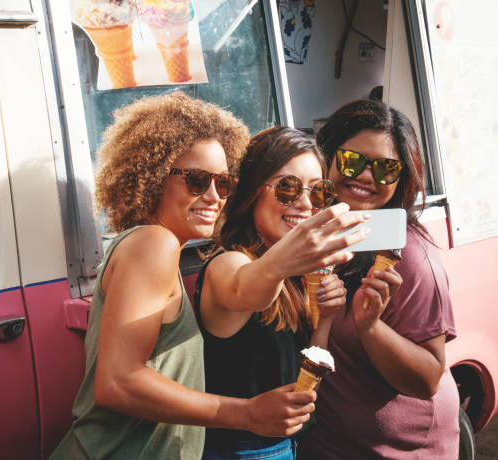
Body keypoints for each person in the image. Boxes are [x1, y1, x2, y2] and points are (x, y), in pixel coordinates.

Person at [50, 92, 324, 460]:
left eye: (223, 183)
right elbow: (117, 384)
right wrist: (246, 413)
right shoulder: (154, 242)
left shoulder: (156, 246)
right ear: (152, 176)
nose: (214, 196)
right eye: (197, 180)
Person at [194, 126, 378, 459]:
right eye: (288, 187)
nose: (306, 204)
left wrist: (325, 319)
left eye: (318, 190)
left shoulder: (295, 272)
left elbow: (306, 380)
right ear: (251, 191)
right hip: (238, 450)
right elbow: (243, 289)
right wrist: (289, 263)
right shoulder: (230, 262)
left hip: (287, 447)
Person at [298, 99, 460, 459]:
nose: (367, 177)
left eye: (386, 168)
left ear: (401, 178)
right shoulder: (320, 230)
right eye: (352, 161)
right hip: (328, 443)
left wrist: (370, 326)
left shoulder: (411, 257)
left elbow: (428, 378)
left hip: (399, 450)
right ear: (325, 156)